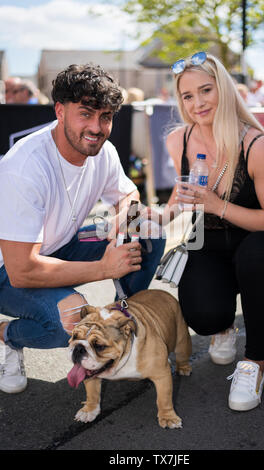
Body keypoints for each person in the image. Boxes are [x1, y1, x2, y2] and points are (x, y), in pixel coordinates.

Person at [0, 63, 165, 394]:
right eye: (86, 114)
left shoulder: (104, 152)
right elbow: (21, 270)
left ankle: (122, 327)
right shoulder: (24, 167)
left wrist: (125, 213)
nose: (97, 127)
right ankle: (7, 336)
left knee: (147, 227)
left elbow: (129, 195)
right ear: (60, 111)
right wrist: (104, 268)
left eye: (105, 117)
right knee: (73, 318)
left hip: (60, 246)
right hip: (8, 269)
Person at [164, 52, 264, 411]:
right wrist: (149, 217)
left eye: (206, 90)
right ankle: (224, 326)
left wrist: (217, 205)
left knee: (255, 257)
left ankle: (254, 362)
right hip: (207, 243)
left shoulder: (257, 146)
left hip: (260, 246)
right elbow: (180, 198)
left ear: (223, 89)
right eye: (187, 96)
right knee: (203, 316)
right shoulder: (179, 140)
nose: (197, 103)